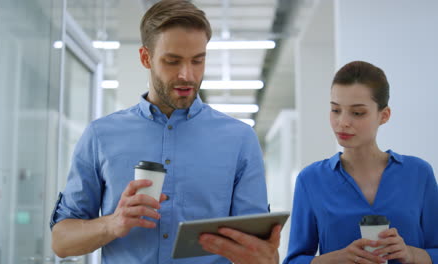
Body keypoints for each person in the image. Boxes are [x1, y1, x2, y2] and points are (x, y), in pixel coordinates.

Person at [50, 1, 281, 263]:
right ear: (145, 57)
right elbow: (61, 241)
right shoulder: (100, 136)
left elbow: (258, 251)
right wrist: (112, 224)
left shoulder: (240, 139)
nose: (187, 75)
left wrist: (267, 257)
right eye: (173, 61)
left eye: (198, 61)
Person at [283, 61, 438, 264]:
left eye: (357, 113)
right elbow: (293, 261)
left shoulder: (418, 173)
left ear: (384, 115)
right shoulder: (310, 179)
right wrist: (336, 259)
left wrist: (410, 254)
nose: (343, 122)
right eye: (336, 110)